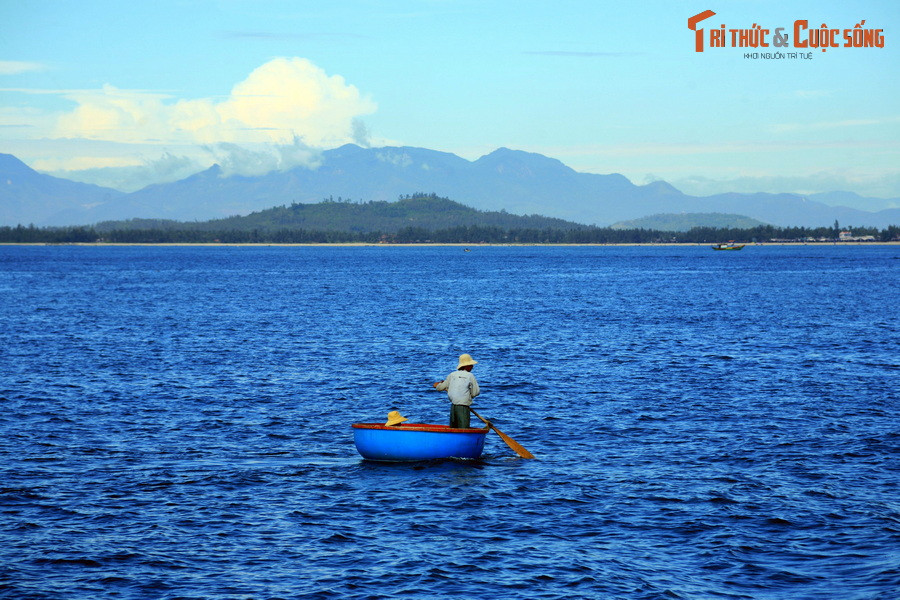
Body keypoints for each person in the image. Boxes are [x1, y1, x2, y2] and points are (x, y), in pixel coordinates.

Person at [432, 353, 480, 428]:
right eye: (471, 365)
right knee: (463, 428)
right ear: (467, 366)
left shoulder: (452, 375)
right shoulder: (470, 376)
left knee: (454, 428)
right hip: (463, 407)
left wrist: (436, 385)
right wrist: (467, 396)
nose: (472, 367)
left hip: (453, 406)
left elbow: (440, 388)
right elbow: (476, 392)